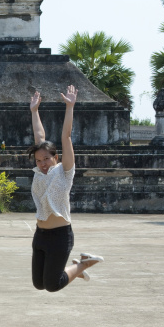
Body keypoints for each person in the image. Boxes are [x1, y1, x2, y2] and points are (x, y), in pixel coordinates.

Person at [28, 85, 104, 292]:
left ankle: (82, 264)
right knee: (38, 284)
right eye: (39, 160)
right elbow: (38, 135)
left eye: (47, 159)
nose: (43, 163)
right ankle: (75, 268)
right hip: (40, 234)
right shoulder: (39, 173)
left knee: (52, 285)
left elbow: (66, 136)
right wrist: (34, 111)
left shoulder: (64, 172)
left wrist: (70, 107)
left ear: (56, 158)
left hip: (61, 235)